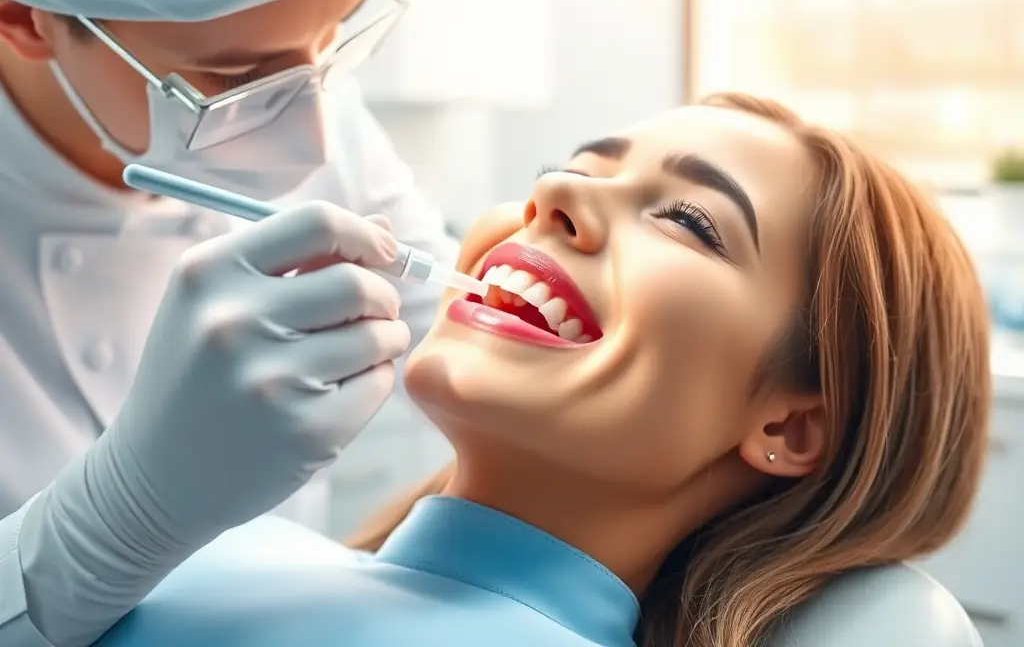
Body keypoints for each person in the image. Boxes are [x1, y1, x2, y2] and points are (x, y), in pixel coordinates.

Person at [93, 93, 991, 647]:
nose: (555, 196)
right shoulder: (207, 543)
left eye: (689, 221)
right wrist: (116, 508)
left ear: (790, 426)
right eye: (567, 169)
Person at [0, 0, 456, 646]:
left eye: (337, 37)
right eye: (235, 84)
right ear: (22, 19)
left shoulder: (314, 102)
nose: (315, 142)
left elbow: (449, 334)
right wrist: (116, 520)